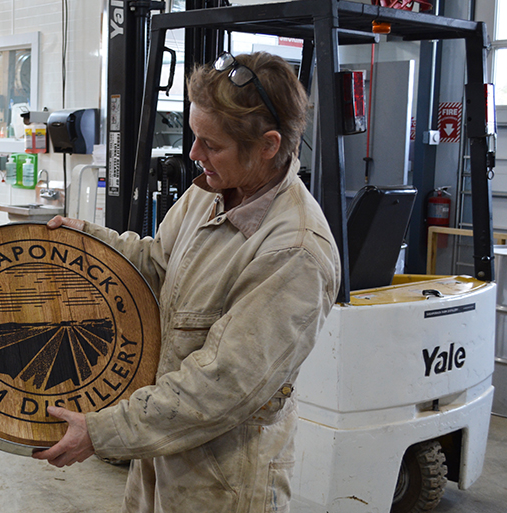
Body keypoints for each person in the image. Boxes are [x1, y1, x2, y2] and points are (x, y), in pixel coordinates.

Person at [32, 51, 340, 513]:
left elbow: (221, 385)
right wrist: (90, 245)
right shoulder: (210, 195)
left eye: (210, 145)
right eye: (195, 138)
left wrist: (103, 432)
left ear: (269, 145)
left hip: (223, 482)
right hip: (160, 451)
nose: (194, 154)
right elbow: (157, 266)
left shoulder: (294, 251)